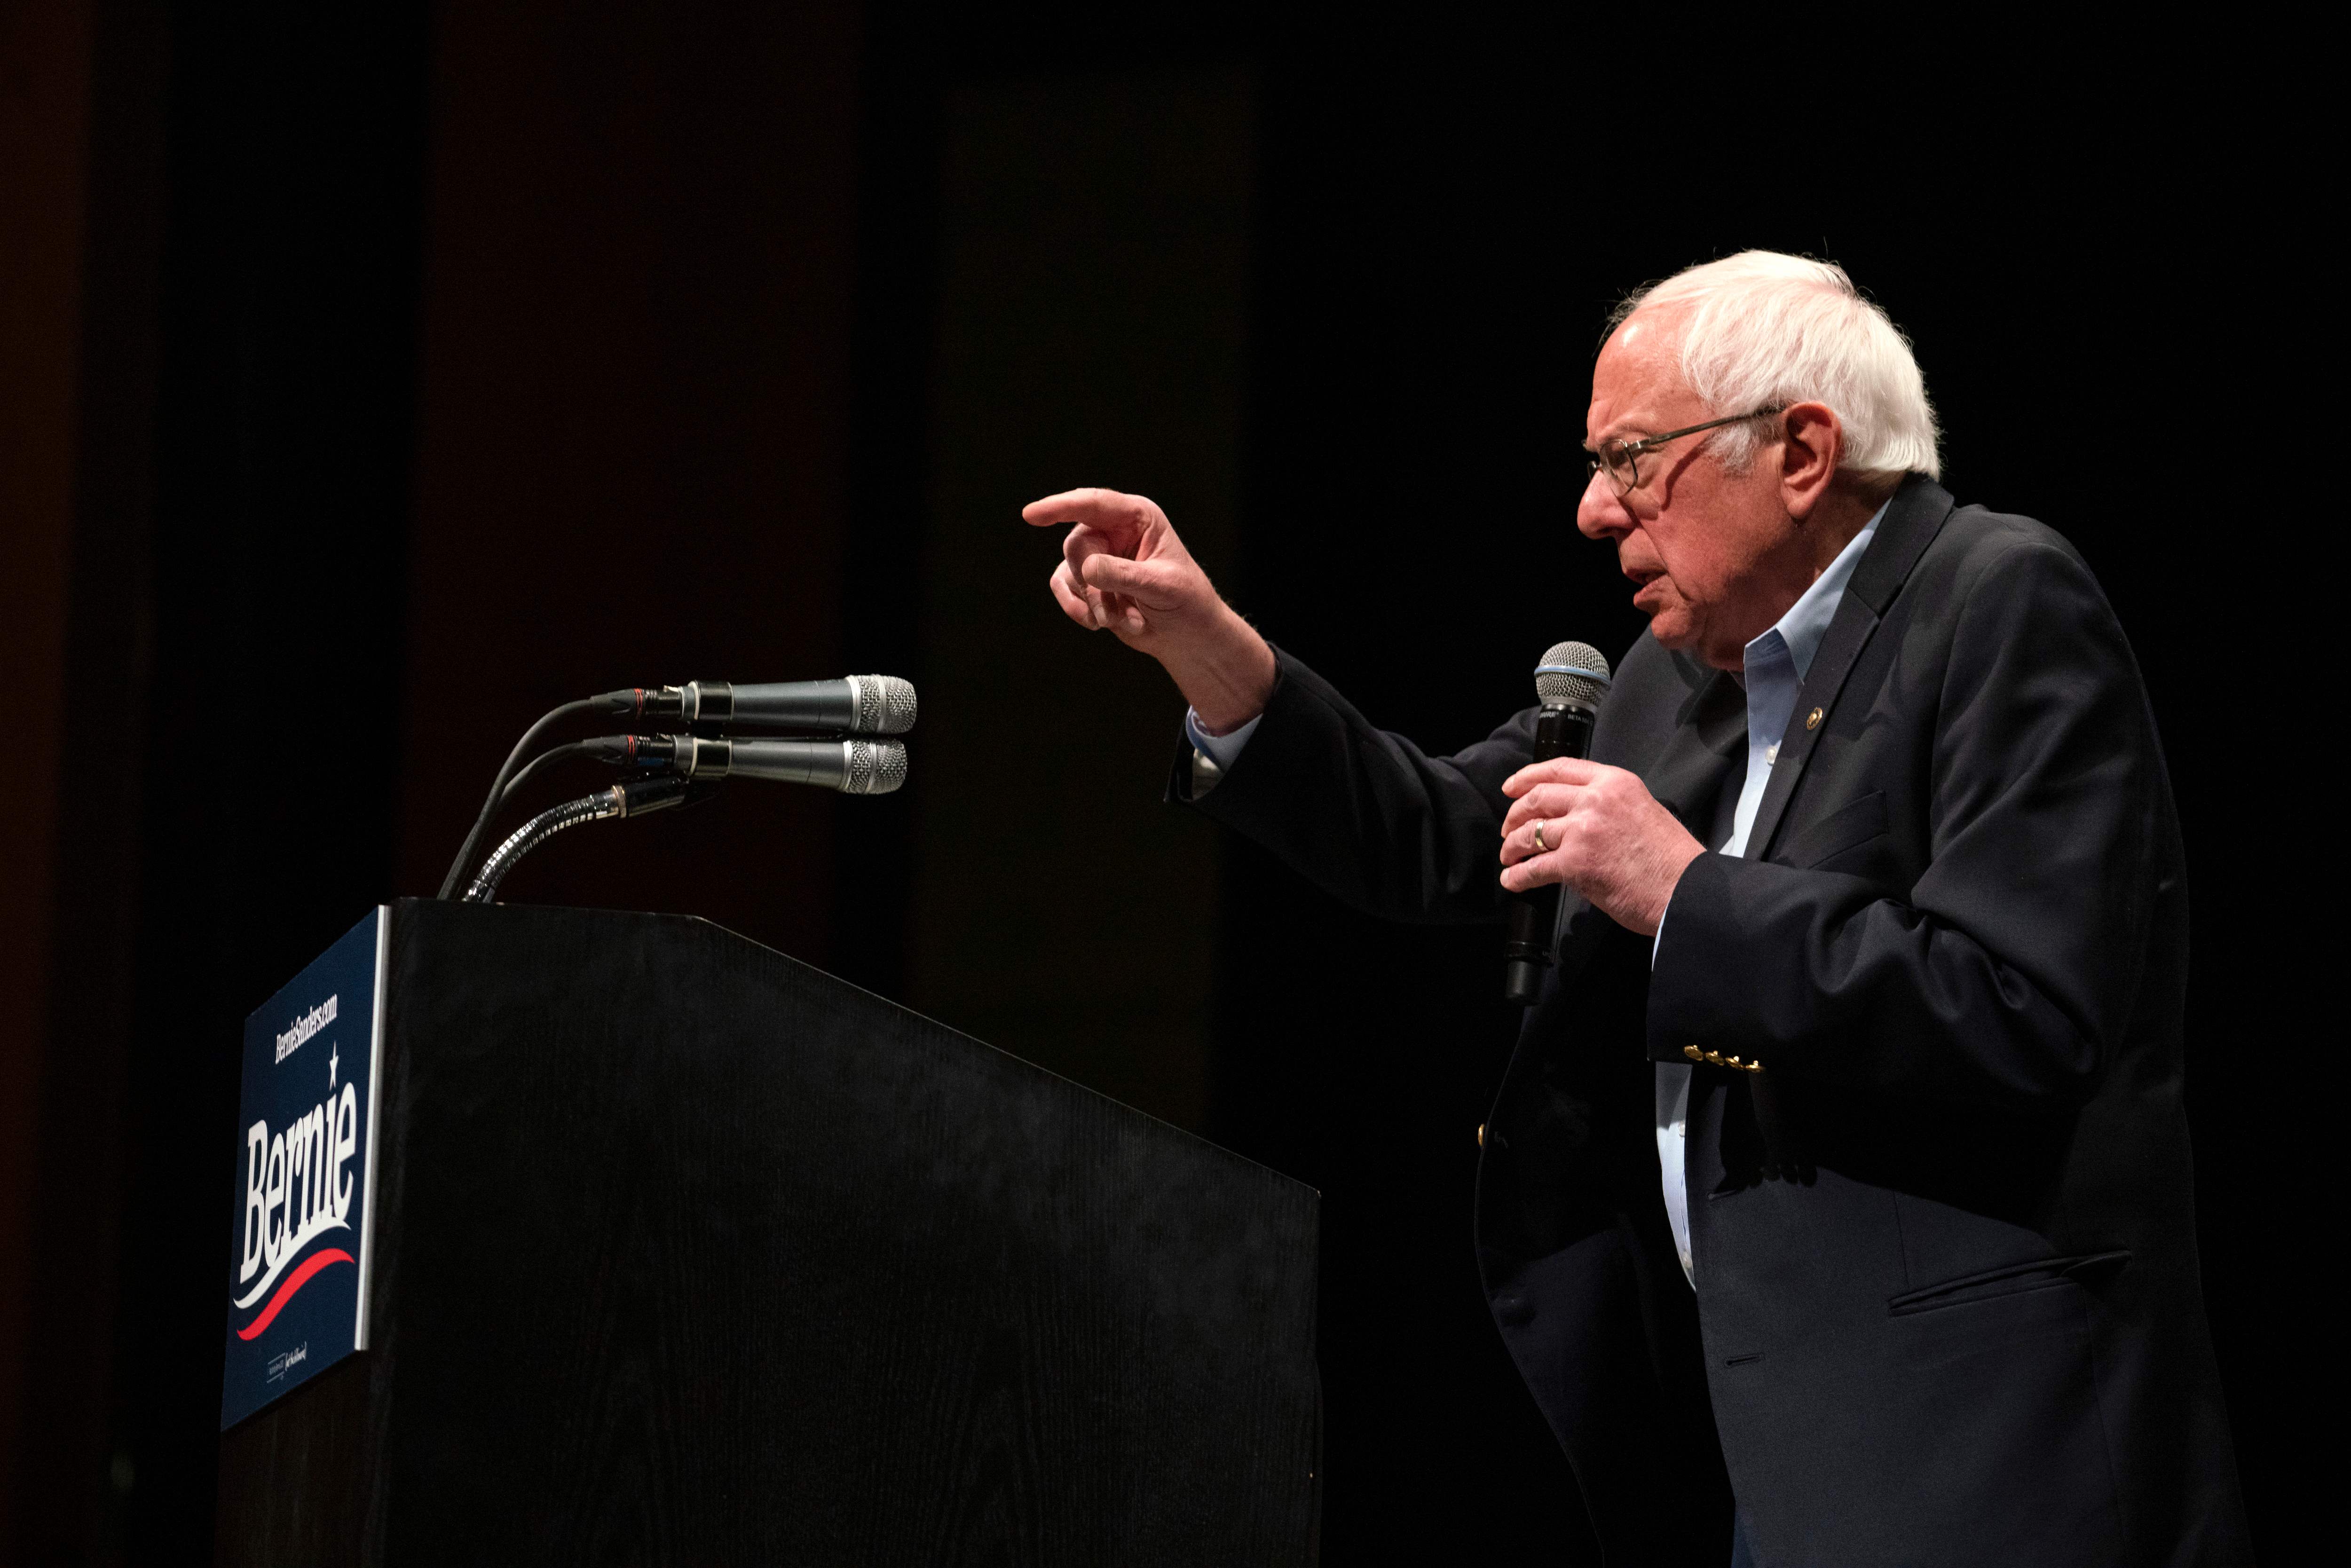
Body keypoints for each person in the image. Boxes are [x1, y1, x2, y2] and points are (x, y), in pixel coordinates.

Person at [1022, 252, 2250, 1565]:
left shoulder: (1999, 602)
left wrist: (1681, 892)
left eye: (1631, 459)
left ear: (1799, 451)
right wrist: (1207, 647)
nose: (1592, 513)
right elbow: (1439, 835)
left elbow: (2022, 1009)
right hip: (1744, 1440)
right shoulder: (1680, 682)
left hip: (1981, 1450)